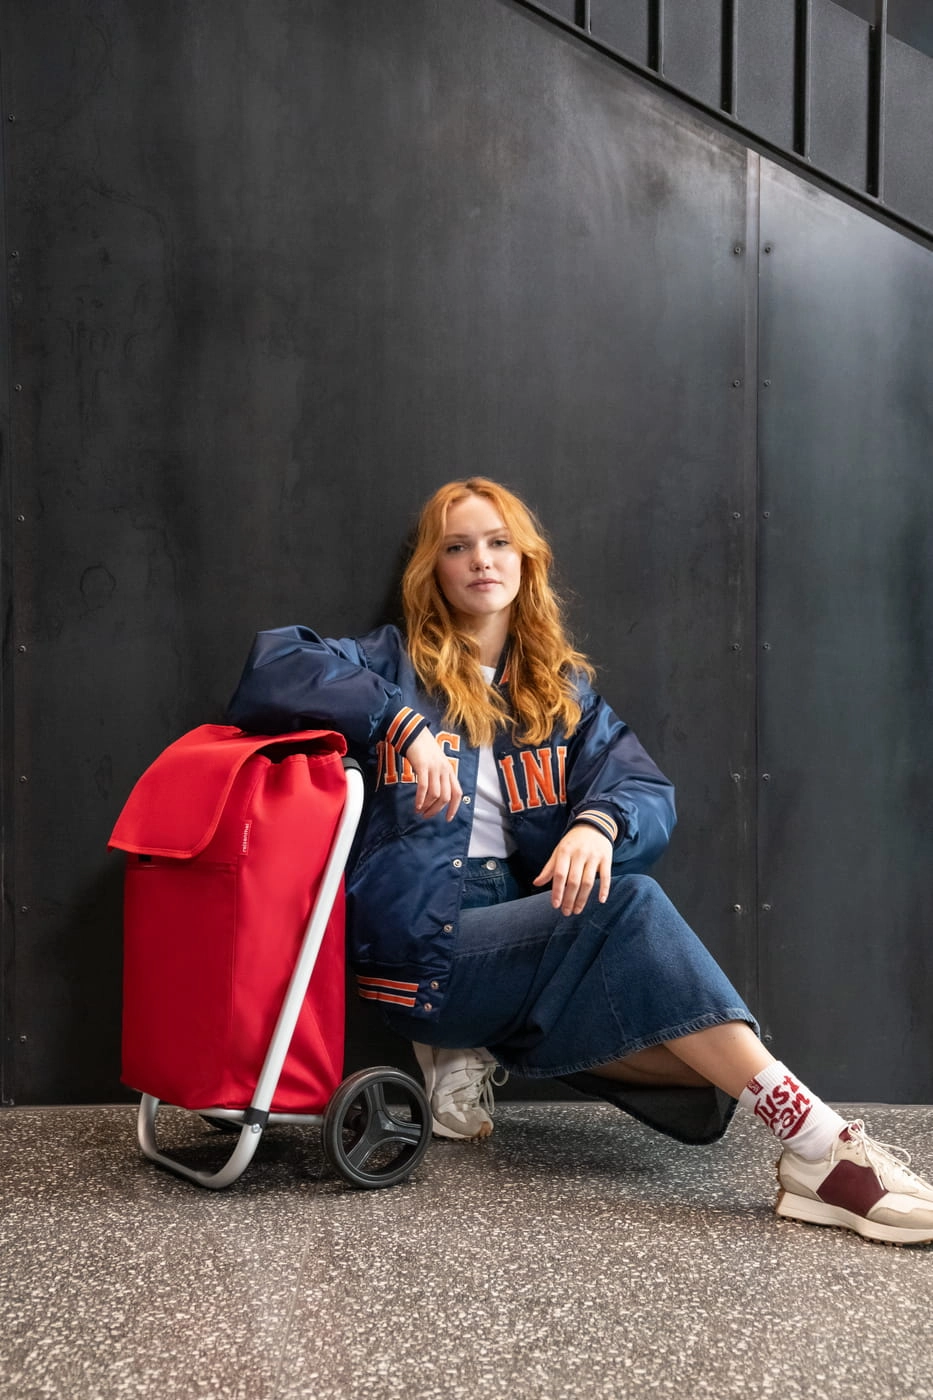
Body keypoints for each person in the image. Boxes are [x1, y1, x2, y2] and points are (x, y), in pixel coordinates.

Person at [228, 477, 933, 1245]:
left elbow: (642, 788)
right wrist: (397, 720)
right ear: (433, 569)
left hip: (522, 938)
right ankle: (822, 1150)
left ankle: (482, 1043)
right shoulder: (386, 663)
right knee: (630, 907)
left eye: (498, 542)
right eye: (458, 547)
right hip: (417, 953)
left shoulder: (557, 694)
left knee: (708, 1057)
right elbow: (272, 664)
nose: (480, 560)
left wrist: (599, 825)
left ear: (526, 561)